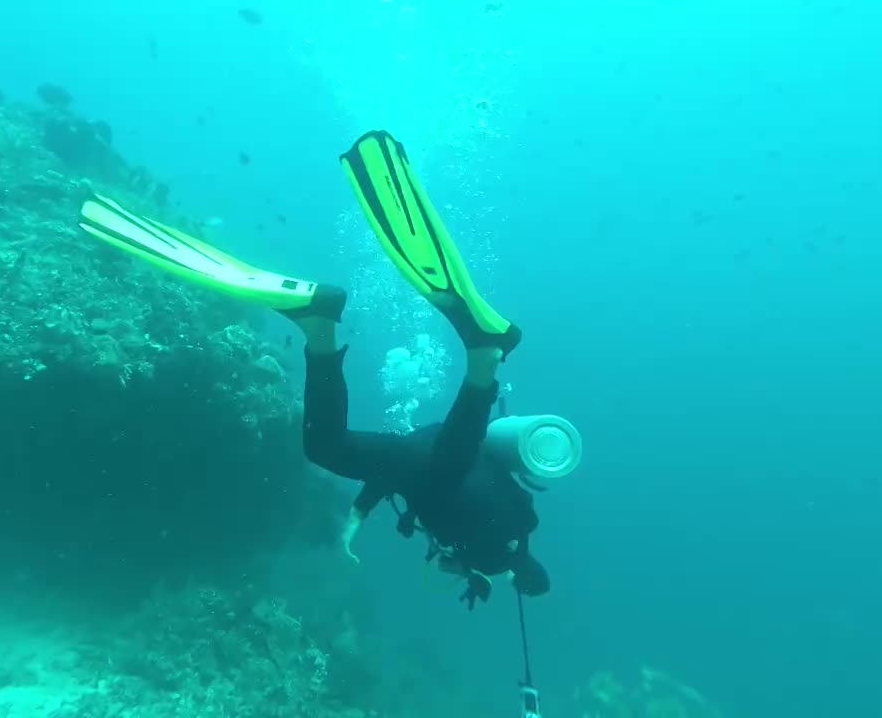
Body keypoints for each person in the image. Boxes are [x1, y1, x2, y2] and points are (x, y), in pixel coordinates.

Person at [79, 130, 553, 610]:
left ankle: (321, 321)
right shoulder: (493, 557)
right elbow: (450, 500)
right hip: (439, 464)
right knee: (419, 467)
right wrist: (484, 571)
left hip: (427, 449)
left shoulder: (519, 524)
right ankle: (475, 356)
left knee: (369, 452)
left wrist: (355, 520)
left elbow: (400, 472)